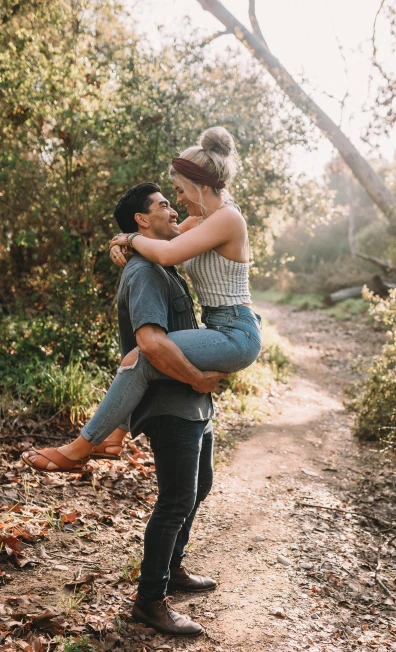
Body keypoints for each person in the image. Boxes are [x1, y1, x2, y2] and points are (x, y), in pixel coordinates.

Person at [23, 180, 228, 636]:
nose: (173, 209)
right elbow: (150, 345)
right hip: (170, 403)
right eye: (163, 205)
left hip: (194, 402)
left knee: (199, 487)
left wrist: (201, 388)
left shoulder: (162, 263)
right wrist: (196, 377)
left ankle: (172, 569)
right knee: (176, 499)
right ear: (142, 218)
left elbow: (208, 217)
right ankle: (150, 600)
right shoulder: (145, 273)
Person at [22, 126, 261, 472]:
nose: (177, 199)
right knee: (144, 354)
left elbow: (164, 252)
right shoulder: (200, 222)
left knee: (142, 355)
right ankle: (114, 437)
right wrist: (121, 242)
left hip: (236, 333)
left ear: (201, 186)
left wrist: (128, 239)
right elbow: (158, 236)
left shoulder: (228, 219)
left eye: (179, 190)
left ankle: (78, 448)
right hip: (221, 327)